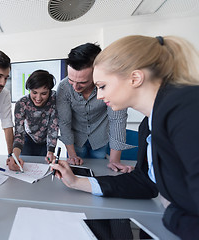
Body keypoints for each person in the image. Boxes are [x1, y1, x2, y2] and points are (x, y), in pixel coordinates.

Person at [53, 35, 199, 239]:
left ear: (135, 78)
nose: (100, 95)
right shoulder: (148, 125)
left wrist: (171, 213)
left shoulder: (187, 107)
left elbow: (117, 122)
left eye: (102, 86)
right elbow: (145, 183)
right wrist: (76, 182)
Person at [56, 43, 133, 173]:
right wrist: (72, 155)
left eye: (82, 82)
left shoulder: (111, 86)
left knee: (101, 171)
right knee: (76, 172)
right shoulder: (64, 87)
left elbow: (117, 121)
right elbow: (64, 122)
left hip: (100, 137)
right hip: (76, 139)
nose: (75, 87)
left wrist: (115, 161)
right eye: (71, 80)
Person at [8, 70, 59, 171]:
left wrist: (51, 151)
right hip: (27, 140)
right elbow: (19, 133)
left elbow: (53, 128)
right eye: (34, 92)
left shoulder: (55, 100)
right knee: (24, 169)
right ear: (29, 89)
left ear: (50, 90)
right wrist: (15, 156)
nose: (38, 98)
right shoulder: (22, 104)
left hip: (47, 142)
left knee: (45, 170)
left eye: (44, 93)